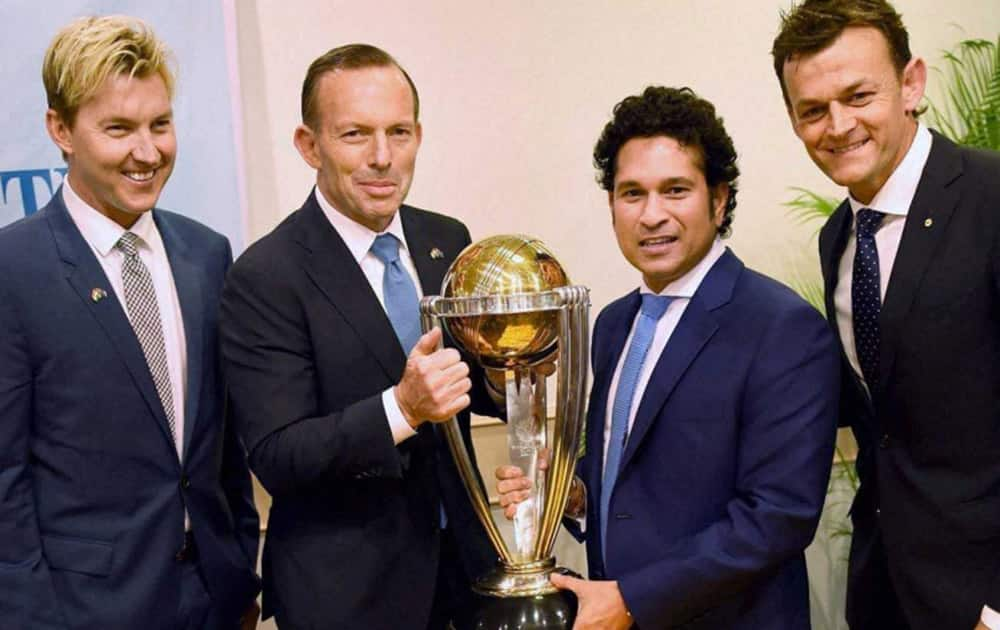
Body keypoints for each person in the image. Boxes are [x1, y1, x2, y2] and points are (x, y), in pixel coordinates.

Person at [497, 86, 840, 629]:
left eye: (675, 190)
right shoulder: (612, 323)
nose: (652, 215)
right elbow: (631, 473)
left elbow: (777, 516)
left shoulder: (781, 327)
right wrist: (573, 491)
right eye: (632, 193)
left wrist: (632, 598)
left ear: (719, 199)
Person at [218, 44, 500, 629]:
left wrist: (522, 372)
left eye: (398, 132)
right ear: (308, 144)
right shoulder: (266, 275)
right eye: (355, 134)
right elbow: (278, 454)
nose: (382, 157)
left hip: (468, 580)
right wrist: (402, 408)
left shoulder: (447, 239)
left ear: (418, 135)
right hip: (349, 599)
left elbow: (474, 383)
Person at [0, 15, 261, 630]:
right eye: (118, 128)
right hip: (83, 612)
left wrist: (240, 568)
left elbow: (225, 449)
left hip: (215, 601)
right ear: (60, 130)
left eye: (160, 125)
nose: (147, 152)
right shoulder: (13, 269)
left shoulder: (207, 254)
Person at [773, 1, 1000, 628]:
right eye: (812, 110)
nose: (838, 125)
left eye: (858, 96)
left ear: (911, 84)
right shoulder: (837, 237)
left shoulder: (989, 198)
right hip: (884, 590)